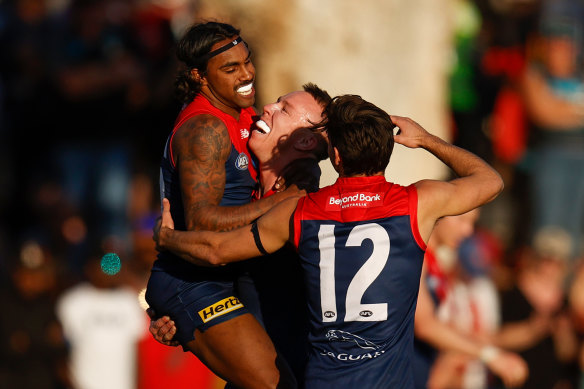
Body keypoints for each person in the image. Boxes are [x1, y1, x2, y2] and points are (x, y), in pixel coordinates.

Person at [153, 94, 506, 388]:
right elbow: (490, 181)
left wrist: (167, 238)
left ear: (335, 156)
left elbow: (215, 252)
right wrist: (427, 140)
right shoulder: (418, 204)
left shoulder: (298, 212)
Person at [145, 21, 330, 388]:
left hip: (225, 275)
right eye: (230, 69)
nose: (246, 75)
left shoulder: (241, 114)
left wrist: (305, 175)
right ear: (199, 76)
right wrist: (281, 201)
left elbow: (301, 146)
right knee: (276, 384)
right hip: (193, 280)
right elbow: (202, 224)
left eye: (247, 61)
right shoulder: (205, 130)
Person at [413, 211, 529, 389]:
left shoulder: (436, 265)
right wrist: (491, 356)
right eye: (461, 219)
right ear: (439, 212)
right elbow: (426, 325)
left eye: (473, 223)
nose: (468, 231)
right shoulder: (417, 259)